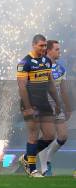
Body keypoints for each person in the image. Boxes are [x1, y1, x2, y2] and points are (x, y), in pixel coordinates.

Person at [17, 34, 61, 178]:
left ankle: (26, 158)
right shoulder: (25, 63)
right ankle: (32, 170)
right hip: (30, 102)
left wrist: (57, 101)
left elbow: (50, 84)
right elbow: (22, 86)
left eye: (44, 46)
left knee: (49, 135)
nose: (43, 48)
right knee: (33, 134)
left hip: (44, 102)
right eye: (41, 45)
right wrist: (28, 107)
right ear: (33, 45)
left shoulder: (47, 62)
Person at [38, 40, 71, 176]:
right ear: (49, 50)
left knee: (63, 136)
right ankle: (44, 168)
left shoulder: (61, 68)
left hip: (57, 106)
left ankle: (48, 160)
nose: (59, 52)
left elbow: (63, 89)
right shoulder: (40, 66)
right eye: (57, 49)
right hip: (44, 105)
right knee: (46, 136)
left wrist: (67, 107)